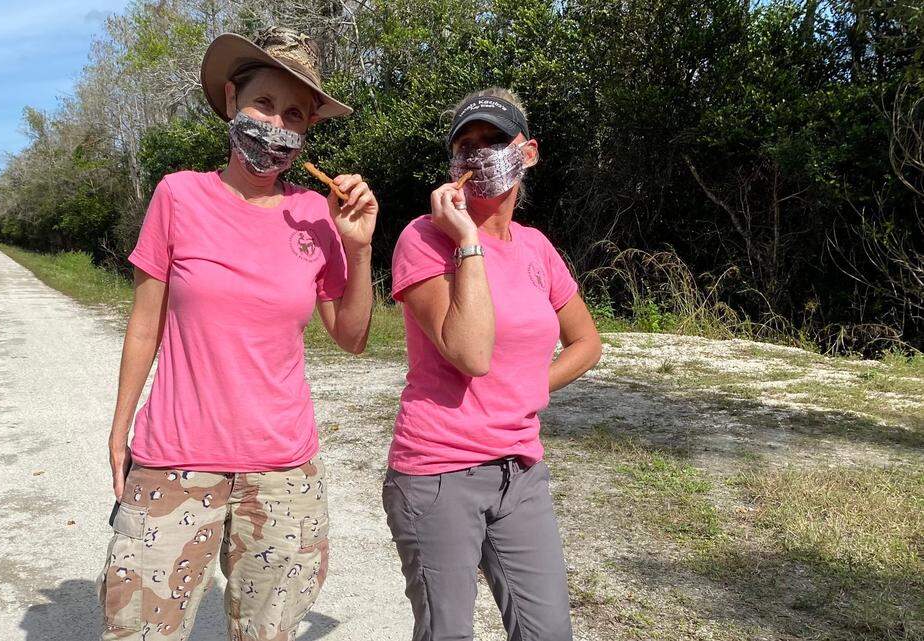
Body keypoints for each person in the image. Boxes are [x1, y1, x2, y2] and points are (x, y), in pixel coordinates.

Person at [96, 26, 379, 641]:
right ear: (231, 101)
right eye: (264, 104)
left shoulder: (315, 213)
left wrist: (358, 249)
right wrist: (121, 429)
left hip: (283, 471)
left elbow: (353, 337)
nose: (276, 126)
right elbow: (145, 324)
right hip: (173, 460)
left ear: (307, 135)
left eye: (295, 115)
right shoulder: (178, 196)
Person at [382, 87, 601, 641]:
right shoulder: (424, 240)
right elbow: (471, 353)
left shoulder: (536, 249)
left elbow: (586, 343)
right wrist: (467, 242)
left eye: (494, 142)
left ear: (527, 153)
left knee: (548, 631)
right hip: (438, 473)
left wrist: (527, 385)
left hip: (520, 472)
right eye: (465, 145)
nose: (478, 155)